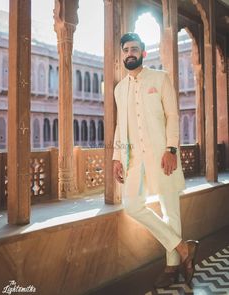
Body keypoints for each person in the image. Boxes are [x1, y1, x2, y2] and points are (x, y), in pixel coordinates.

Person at [112, 32, 199, 288]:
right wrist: (117, 156)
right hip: (134, 159)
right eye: (126, 49)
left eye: (135, 49)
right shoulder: (119, 89)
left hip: (163, 154)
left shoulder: (159, 78)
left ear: (143, 53)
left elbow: (173, 115)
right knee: (132, 204)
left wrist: (171, 149)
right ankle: (183, 247)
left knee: (171, 210)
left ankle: (172, 267)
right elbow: (120, 126)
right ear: (122, 54)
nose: (130, 53)